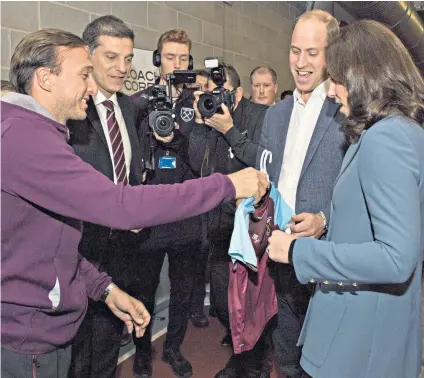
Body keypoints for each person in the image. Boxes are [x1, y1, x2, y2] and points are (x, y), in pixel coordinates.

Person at [1, 28, 268, 378]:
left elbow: (48, 243)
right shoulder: (25, 138)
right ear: (46, 78)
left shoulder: (28, 131)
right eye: (84, 74)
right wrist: (227, 184)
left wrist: (105, 289)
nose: (93, 86)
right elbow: (121, 205)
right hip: (28, 339)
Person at [267, 19, 424, 378]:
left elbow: (396, 257)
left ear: (363, 77)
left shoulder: (386, 139)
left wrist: (295, 250)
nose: (334, 90)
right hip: (368, 329)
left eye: (338, 79)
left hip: (357, 340)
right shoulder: (402, 131)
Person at [254, 9, 347, 378]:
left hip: (331, 262)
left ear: (332, 55)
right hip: (282, 256)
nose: (301, 63)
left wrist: (325, 219)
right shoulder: (275, 115)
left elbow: (361, 189)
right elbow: (266, 178)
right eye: (295, 51)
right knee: (288, 354)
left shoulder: (347, 111)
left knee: (329, 360)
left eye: (312, 52)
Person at [66, 16, 148, 378]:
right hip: (79, 251)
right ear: (89, 55)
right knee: (76, 354)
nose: (122, 68)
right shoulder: (71, 111)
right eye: (112, 57)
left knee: (107, 347)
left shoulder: (129, 108)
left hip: (123, 251)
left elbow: (127, 172)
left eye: (128, 59)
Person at [130, 29, 204, 378]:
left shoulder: (199, 104)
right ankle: (142, 351)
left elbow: (204, 156)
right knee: (143, 286)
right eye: (170, 57)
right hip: (149, 211)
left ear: (189, 62)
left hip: (186, 212)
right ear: (158, 60)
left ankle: (173, 347)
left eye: (183, 58)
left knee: (183, 287)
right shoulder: (139, 102)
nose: (176, 64)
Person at [189, 63, 270, 378]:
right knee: (224, 302)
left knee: (252, 306)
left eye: (218, 92)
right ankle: (242, 357)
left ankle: (253, 366)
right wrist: (199, 125)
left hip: (252, 230)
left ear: (236, 93)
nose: (213, 98)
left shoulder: (259, 117)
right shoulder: (208, 118)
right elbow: (199, 166)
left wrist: (229, 130)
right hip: (219, 229)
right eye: (208, 93)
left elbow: (264, 161)